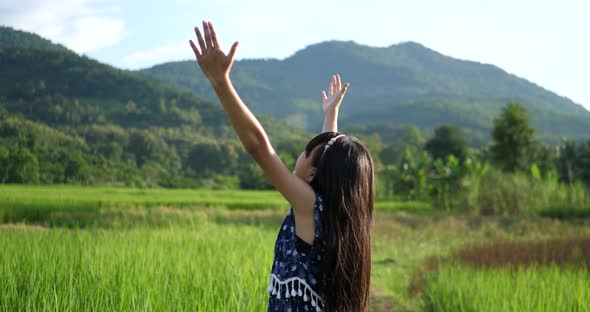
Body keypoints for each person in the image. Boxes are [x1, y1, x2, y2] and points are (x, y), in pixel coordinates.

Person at [190, 21, 375, 312]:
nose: (298, 157)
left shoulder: (308, 205)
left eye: (304, 152)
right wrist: (330, 117)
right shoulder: (336, 217)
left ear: (313, 174)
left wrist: (220, 83)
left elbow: (259, 148)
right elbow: (329, 160)